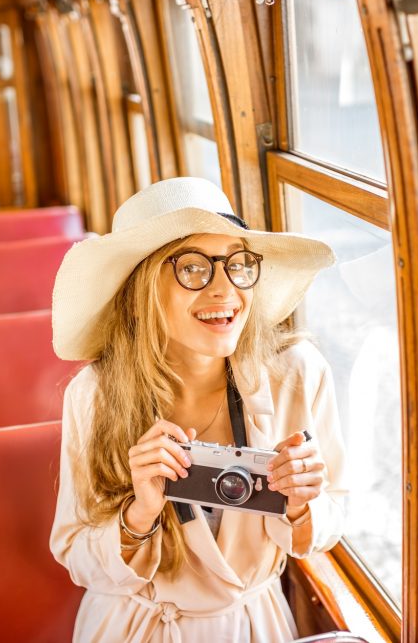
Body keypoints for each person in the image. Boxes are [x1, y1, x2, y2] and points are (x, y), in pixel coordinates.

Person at [49, 177, 348, 642]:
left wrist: (301, 507)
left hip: (253, 624)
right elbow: (75, 552)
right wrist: (140, 514)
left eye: (238, 264)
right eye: (193, 268)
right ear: (143, 287)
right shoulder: (94, 394)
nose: (224, 290)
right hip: (137, 625)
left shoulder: (297, 373)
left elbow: (331, 519)